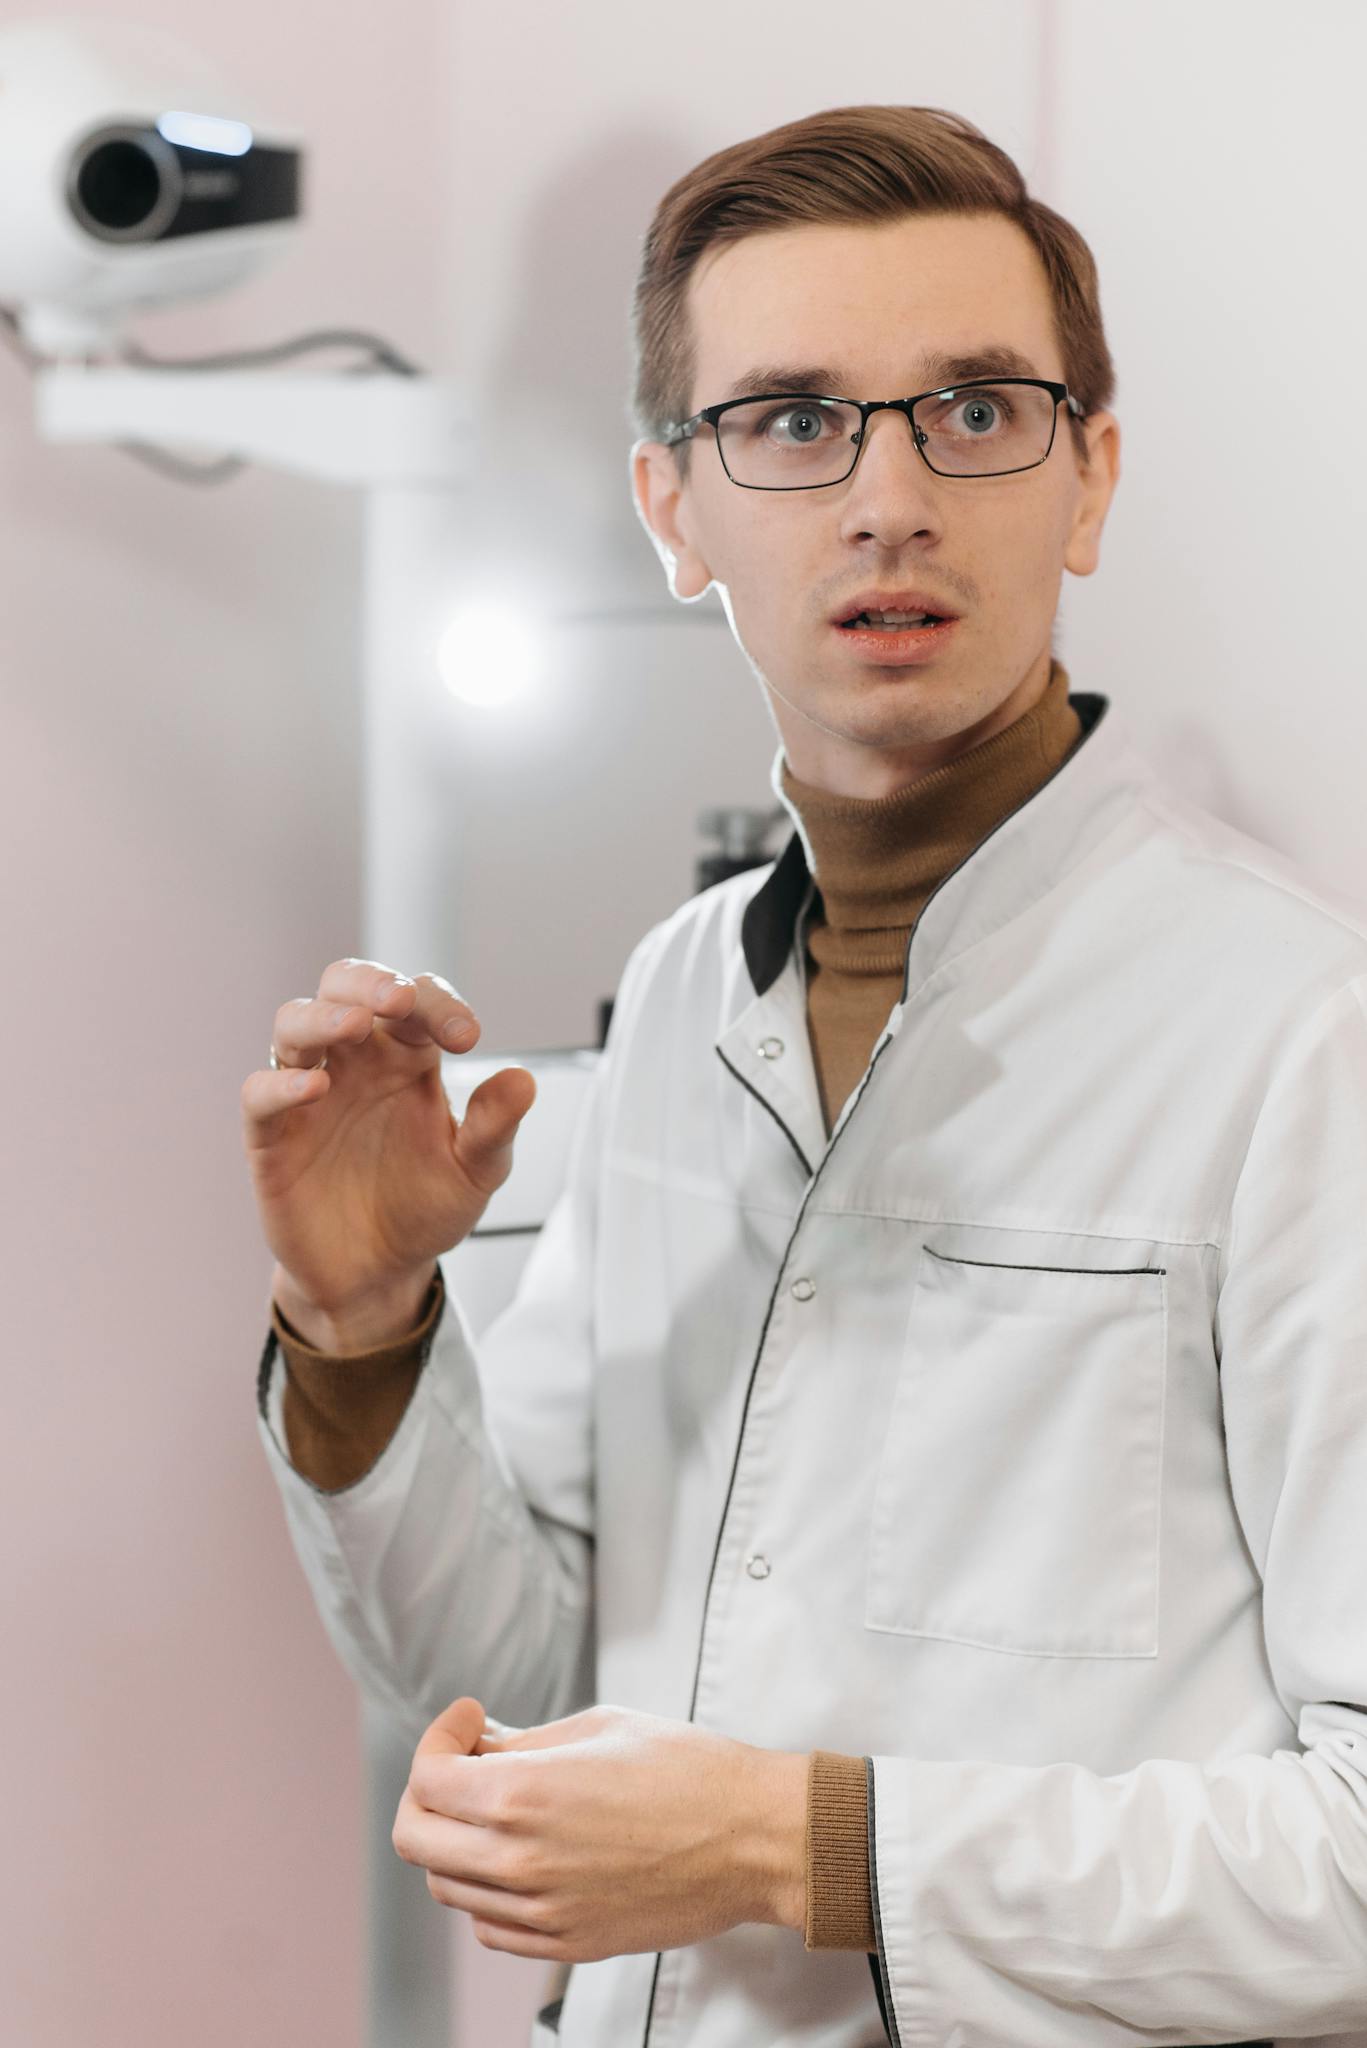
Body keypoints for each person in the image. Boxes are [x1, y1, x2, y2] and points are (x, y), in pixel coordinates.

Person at [241, 103, 1367, 2048]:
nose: (890, 499)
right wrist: (358, 1327)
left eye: (977, 411)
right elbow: (517, 1671)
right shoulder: (682, 996)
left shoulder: (1301, 1036)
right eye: (790, 421)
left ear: (1087, 479)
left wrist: (803, 1845)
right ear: (675, 510)